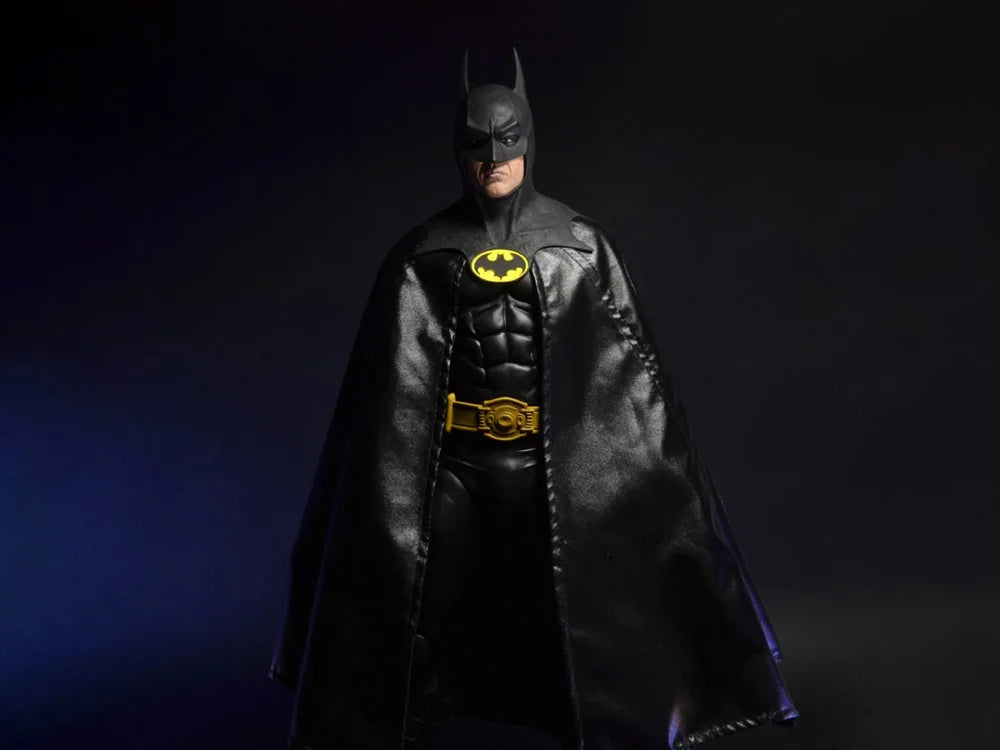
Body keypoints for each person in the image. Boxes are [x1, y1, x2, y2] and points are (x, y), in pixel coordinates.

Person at [268, 49, 798, 750]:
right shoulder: (423, 252)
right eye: (478, 145)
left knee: (581, 603)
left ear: (529, 140)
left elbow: (633, 376)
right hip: (454, 465)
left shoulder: (580, 245)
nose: (494, 160)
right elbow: (379, 393)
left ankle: (594, 718)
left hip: (553, 466)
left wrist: (654, 472)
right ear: (459, 149)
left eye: (506, 141)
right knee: (402, 588)